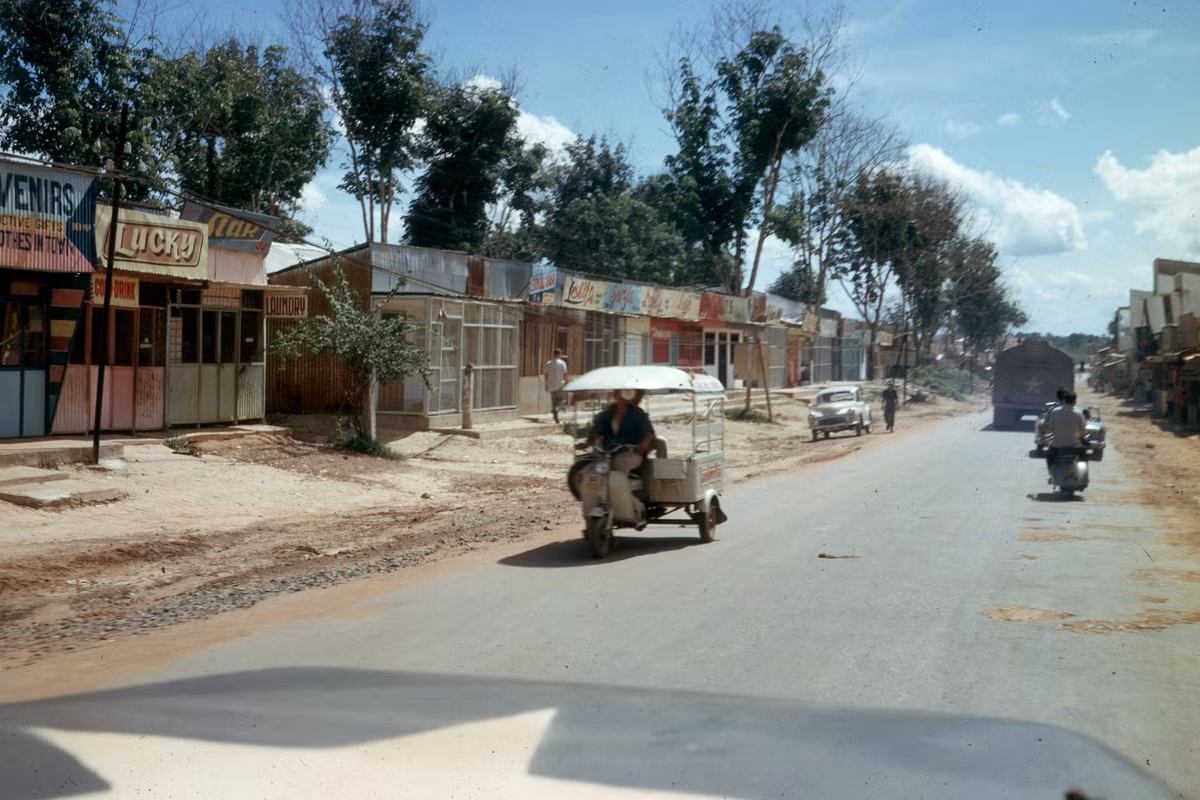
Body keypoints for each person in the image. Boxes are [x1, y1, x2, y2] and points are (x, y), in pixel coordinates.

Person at [585, 389, 655, 476]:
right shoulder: (607, 413)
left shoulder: (638, 414)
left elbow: (648, 433)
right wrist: (588, 441)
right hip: (608, 452)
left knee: (620, 465)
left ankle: (621, 487)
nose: (622, 398)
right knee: (591, 470)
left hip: (631, 452)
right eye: (619, 393)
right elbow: (597, 430)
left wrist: (644, 444)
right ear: (615, 395)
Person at [1041, 389, 1086, 475]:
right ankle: (1083, 475)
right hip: (1073, 448)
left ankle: (1052, 475)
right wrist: (1080, 438)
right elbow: (1082, 431)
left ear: (1063, 401)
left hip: (1057, 448)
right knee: (1083, 454)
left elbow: (1051, 429)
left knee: (1049, 456)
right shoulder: (1078, 413)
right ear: (1075, 402)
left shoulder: (1054, 412)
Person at [543, 349, 569, 423]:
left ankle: (556, 417)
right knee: (562, 400)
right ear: (559, 354)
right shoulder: (562, 363)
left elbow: (546, 375)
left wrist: (546, 384)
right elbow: (565, 374)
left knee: (554, 401)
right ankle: (556, 410)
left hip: (551, 384)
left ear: (553, 354)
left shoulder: (548, 363)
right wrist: (567, 381)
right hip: (560, 384)